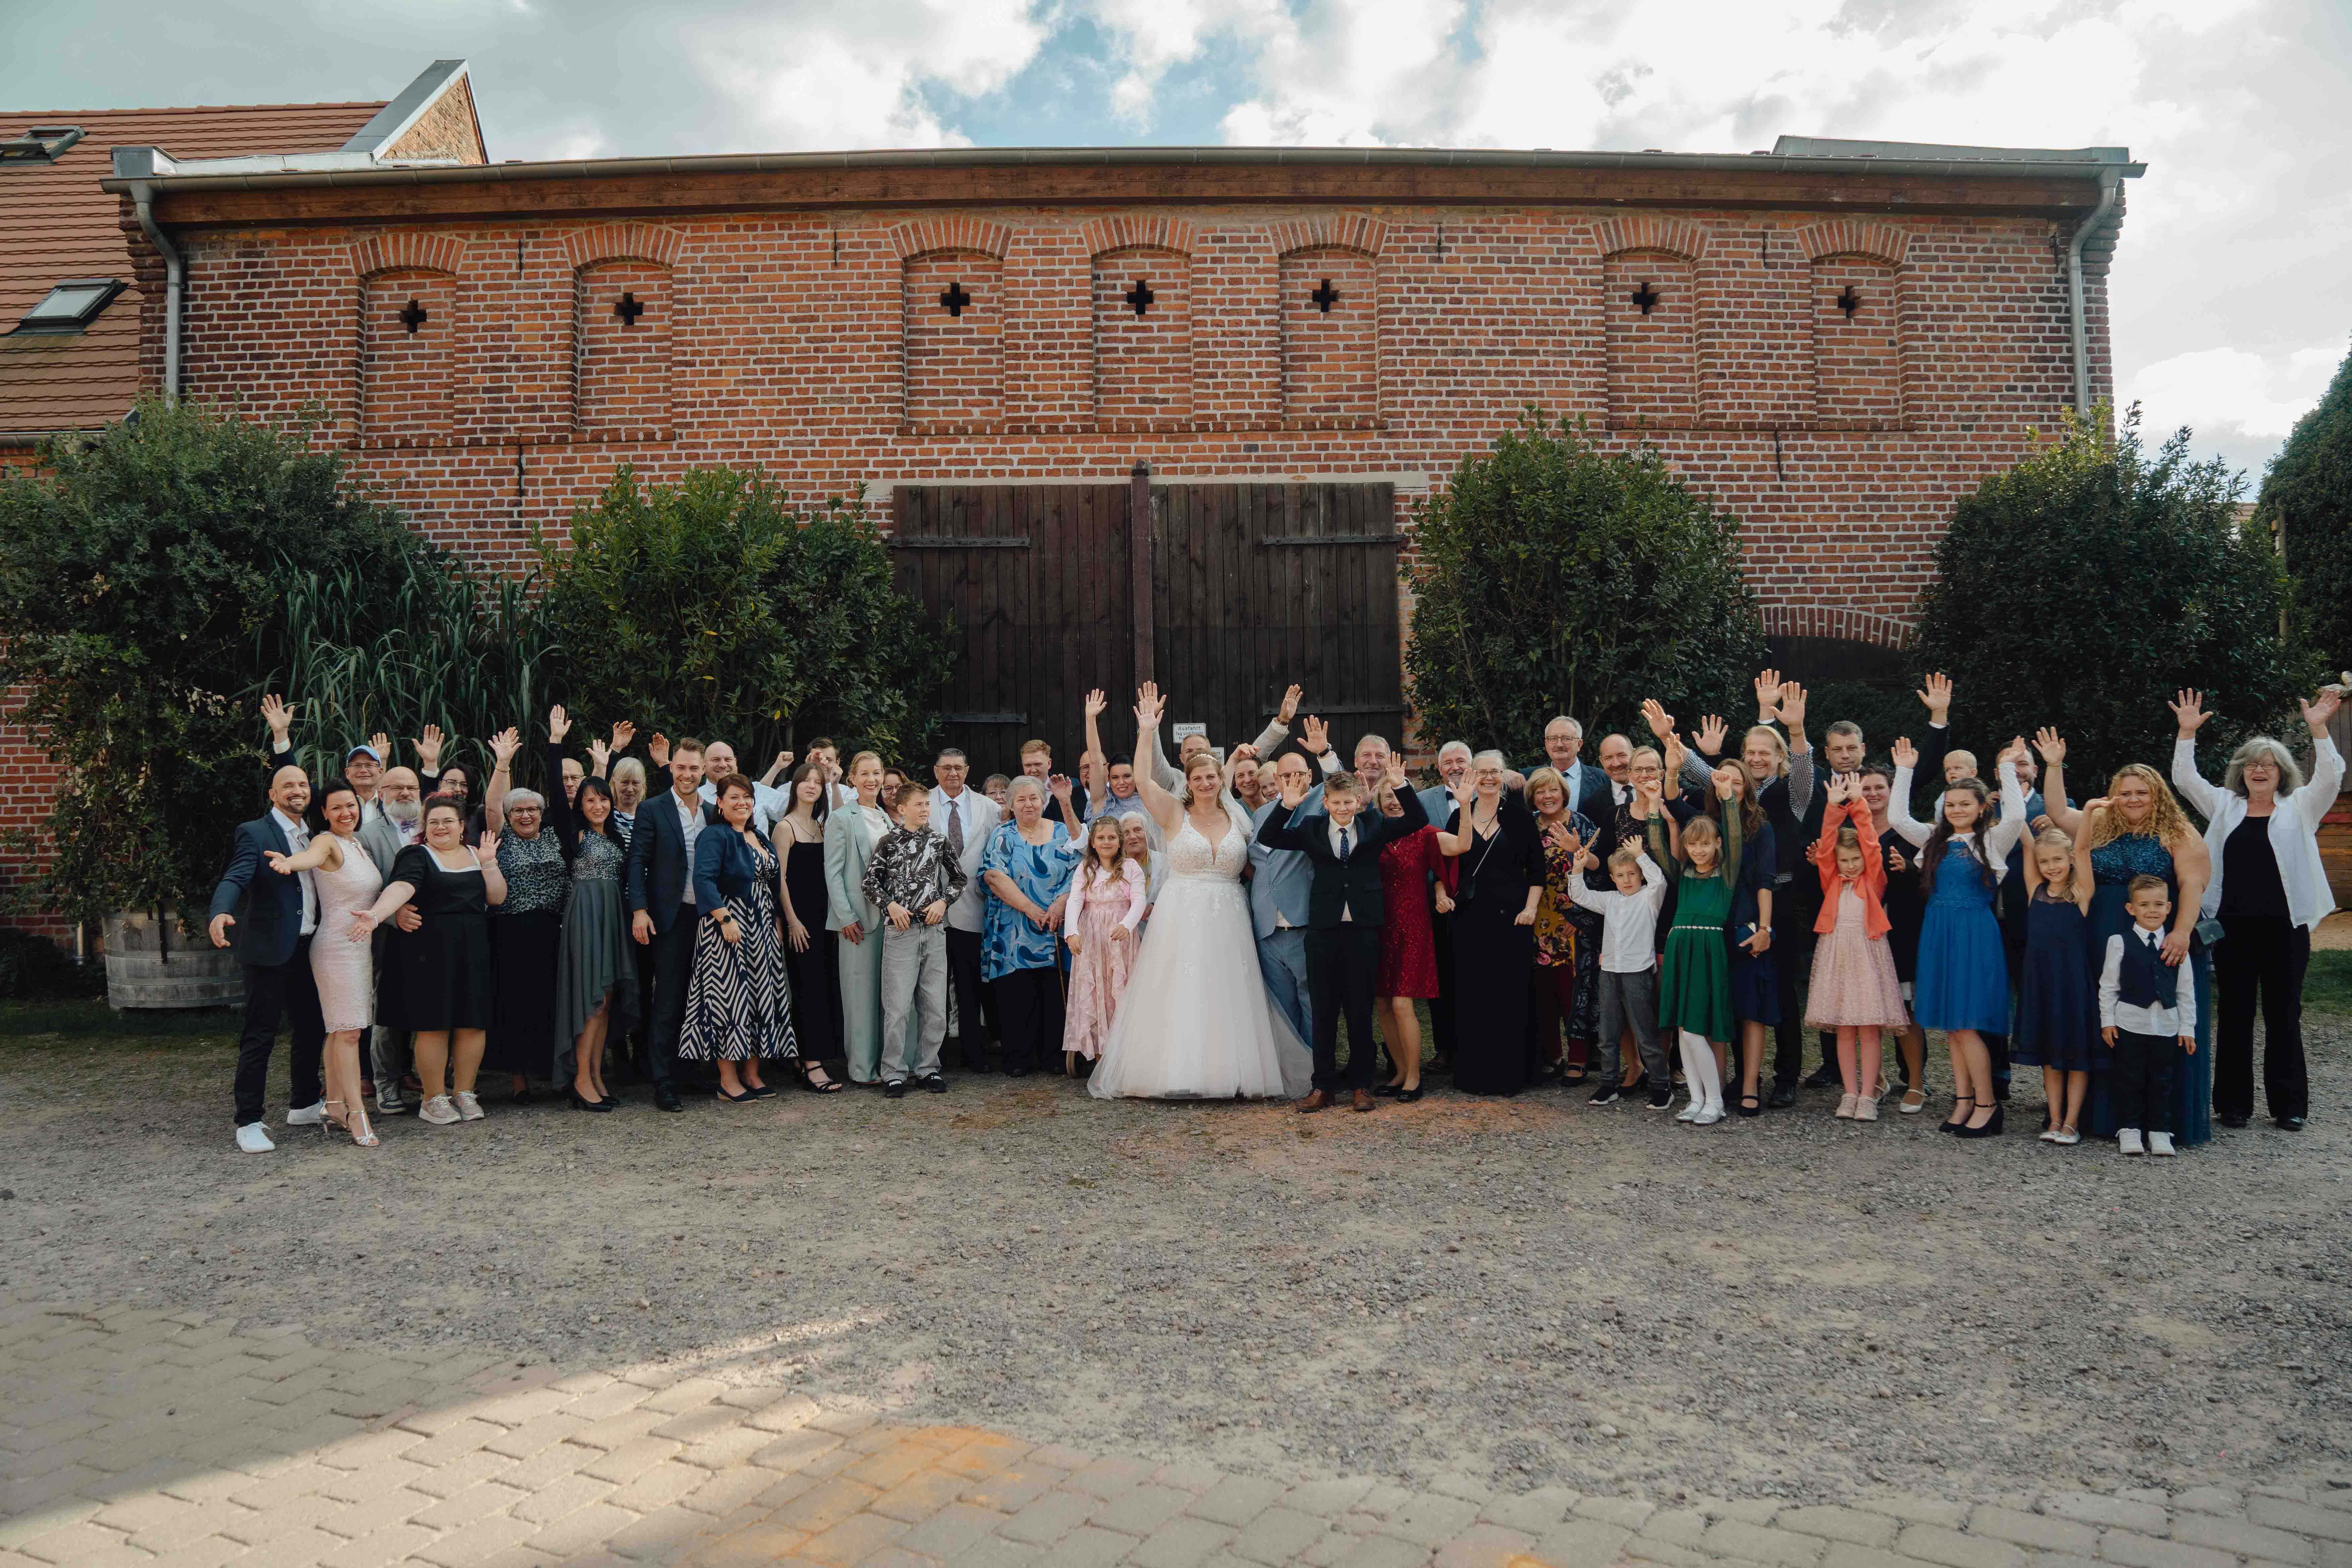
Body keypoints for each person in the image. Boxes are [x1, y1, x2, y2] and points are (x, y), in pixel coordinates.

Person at [1088, 685, 1310, 1099]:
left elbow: (1260, 862)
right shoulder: (1173, 813)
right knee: (1183, 989)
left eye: (1212, 776)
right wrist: (1147, 730)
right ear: (1187, 782)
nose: (1206, 782)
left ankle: (1233, 1072)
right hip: (1182, 911)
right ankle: (1177, 1072)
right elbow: (1140, 778)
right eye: (1199, 778)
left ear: (1219, 779)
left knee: (1228, 989)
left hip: (1229, 913)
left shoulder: (1239, 818)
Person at [2170, 688, 2341, 1132]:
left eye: (2267, 764)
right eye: (2250, 764)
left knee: (2284, 1013)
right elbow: (2185, 780)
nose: (2257, 770)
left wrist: (2319, 728)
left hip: (2287, 928)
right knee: (2236, 1012)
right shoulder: (2225, 806)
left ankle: (2289, 1106)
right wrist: (2187, 733)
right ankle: (2233, 1105)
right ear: (2240, 774)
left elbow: (2330, 776)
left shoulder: (2302, 806)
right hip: (2231, 928)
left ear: (2282, 773)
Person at [1258, 754, 1428, 1112]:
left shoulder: (1375, 824)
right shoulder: (1312, 830)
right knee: (1323, 1010)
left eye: (1349, 802)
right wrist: (1287, 806)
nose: (1343, 808)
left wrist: (1400, 785)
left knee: (1360, 1009)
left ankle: (1362, 1085)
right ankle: (1323, 1086)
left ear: (1359, 800)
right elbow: (1268, 836)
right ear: (1326, 803)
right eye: (1336, 803)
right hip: (1323, 931)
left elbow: (1417, 819)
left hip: (1363, 931)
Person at [2054, 762, 2212, 1144]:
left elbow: (2193, 883)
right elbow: (2059, 813)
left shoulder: (2178, 831)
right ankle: (2102, 1118)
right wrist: (2056, 765)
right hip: (2102, 936)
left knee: (2159, 1023)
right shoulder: (2103, 825)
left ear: (2157, 794)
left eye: (2142, 792)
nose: (2133, 799)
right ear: (2114, 795)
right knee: (2106, 1019)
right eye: (2125, 792)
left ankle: (2163, 1122)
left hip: (2161, 934)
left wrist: (2181, 932)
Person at [1891, 737, 2029, 1139]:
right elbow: (1899, 819)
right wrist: (1904, 772)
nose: (1957, 810)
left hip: (1973, 933)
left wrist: (2005, 766)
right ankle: (1964, 1100)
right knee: (1952, 1025)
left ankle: (1988, 1104)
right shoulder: (1935, 840)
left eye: (1965, 804)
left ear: (1982, 807)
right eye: (1951, 805)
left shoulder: (1992, 840)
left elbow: (2017, 817)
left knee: (1967, 1024)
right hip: (1939, 931)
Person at [354, 797, 506, 1125]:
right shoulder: (416, 855)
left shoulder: (474, 855)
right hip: (430, 955)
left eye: (448, 821)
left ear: (462, 825)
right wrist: (377, 914)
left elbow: (496, 898)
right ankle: (433, 1098)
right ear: (425, 826)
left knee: (472, 1023)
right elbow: (401, 887)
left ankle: (464, 1093)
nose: (441, 827)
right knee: (434, 1026)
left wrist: (490, 863)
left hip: (474, 951)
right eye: (434, 821)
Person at [208, 762, 332, 1152]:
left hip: (307, 947)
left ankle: (305, 1103)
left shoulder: (312, 833)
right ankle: (248, 1121)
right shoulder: (256, 831)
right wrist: (220, 911)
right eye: (287, 785)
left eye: (303, 784)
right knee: (260, 1035)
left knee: (311, 1026)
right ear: (273, 795)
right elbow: (236, 875)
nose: (298, 790)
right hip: (268, 949)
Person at [259, 777, 384, 1146]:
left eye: (351, 805)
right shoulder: (326, 841)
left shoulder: (356, 842)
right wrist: (288, 863)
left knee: (340, 1030)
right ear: (325, 813)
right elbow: (310, 858)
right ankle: (357, 1113)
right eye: (337, 808)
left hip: (360, 947)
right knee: (349, 1032)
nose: (346, 812)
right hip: (336, 948)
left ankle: (333, 1104)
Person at [1435, 750, 1547, 1097]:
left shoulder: (1520, 818)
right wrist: (1441, 893)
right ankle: (1475, 1073)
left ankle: (1512, 1073)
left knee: (1509, 995)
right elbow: (1442, 866)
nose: (1488, 777)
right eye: (1481, 772)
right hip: (1470, 919)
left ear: (1503, 775)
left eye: (1494, 772)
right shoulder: (1458, 818)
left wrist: (1530, 909)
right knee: (1472, 995)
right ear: (1470, 775)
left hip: (1512, 920)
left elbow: (1537, 872)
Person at [678, 773, 796, 1100]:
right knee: (728, 1001)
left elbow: (773, 883)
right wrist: (726, 918)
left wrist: (777, 921)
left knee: (760, 997)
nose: (742, 803)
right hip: (727, 927)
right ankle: (728, 1081)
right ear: (720, 802)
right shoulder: (715, 836)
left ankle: (753, 1074)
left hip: (762, 928)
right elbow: (703, 880)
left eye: (747, 797)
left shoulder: (759, 834)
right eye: (734, 797)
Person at [1801, 776, 1909, 1122]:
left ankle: (1868, 1095)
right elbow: (1827, 843)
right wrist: (1833, 807)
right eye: (1844, 860)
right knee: (1845, 1029)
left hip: (1867, 953)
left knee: (1868, 1027)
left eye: (1855, 859)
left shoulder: (1873, 880)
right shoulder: (1831, 879)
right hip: (1837, 954)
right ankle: (1849, 1092)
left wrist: (1858, 804)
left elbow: (1872, 844)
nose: (1850, 865)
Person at [623, 736, 718, 1112]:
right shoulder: (653, 809)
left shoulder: (714, 811)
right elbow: (637, 861)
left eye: (695, 768)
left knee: (701, 997)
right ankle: (662, 1080)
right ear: (672, 768)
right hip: (670, 915)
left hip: (708, 917)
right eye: (681, 767)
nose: (688, 774)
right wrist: (639, 910)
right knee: (669, 996)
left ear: (704, 771)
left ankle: (689, 1069)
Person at [481, 727, 567, 1103]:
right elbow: (490, 806)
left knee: (549, 1001)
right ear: (509, 815)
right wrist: (503, 765)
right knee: (514, 1004)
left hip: (551, 931)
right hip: (511, 932)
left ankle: (553, 1072)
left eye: (533, 809)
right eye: (519, 810)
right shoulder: (503, 838)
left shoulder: (554, 836)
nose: (526, 815)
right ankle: (519, 1081)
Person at [863, 781, 963, 1097]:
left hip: (933, 932)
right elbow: (870, 883)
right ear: (902, 808)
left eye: (927, 805)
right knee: (898, 1006)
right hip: (901, 933)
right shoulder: (888, 843)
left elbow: (959, 878)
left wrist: (943, 901)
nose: (925, 810)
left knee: (935, 1005)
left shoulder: (939, 841)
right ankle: (893, 1072)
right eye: (919, 805)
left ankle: (928, 1069)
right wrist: (891, 905)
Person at [1650, 775, 1737, 1125]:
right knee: (1683, 1029)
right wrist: (1656, 809)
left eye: (1706, 844)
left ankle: (1715, 1101)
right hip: (1680, 948)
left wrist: (1728, 799)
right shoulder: (1683, 873)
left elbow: (1735, 836)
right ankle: (1696, 1099)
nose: (1699, 850)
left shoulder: (1727, 874)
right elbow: (1657, 848)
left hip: (1707, 949)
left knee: (1697, 1029)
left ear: (1717, 844)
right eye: (1693, 845)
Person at [1564, 829, 1671, 1110]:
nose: (1627, 880)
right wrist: (1577, 867)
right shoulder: (1609, 899)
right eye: (1621, 876)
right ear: (1612, 878)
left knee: (1645, 1031)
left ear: (1640, 875)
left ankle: (1662, 1086)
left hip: (1638, 973)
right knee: (1608, 1032)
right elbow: (1580, 895)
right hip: (1609, 973)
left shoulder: (1650, 897)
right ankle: (1608, 1084)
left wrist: (1641, 856)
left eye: (1632, 874)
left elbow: (1659, 880)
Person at [981, 775, 1077, 1078]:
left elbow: (1079, 872)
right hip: (1014, 929)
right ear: (1010, 804)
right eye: (1020, 800)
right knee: (1016, 994)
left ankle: (1053, 1056)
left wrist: (1058, 906)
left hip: (1056, 927)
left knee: (1054, 992)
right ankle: (1018, 1056)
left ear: (1044, 801)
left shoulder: (1063, 833)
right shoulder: (1002, 835)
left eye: (1034, 798)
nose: (1028, 804)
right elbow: (994, 876)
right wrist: (1033, 910)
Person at [1247, 730, 1335, 1049]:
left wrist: (1325, 752)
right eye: (1285, 776)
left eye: (1299, 774)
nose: (1292, 780)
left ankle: (1317, 1070)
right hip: (1268, 926)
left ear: (1310, 776)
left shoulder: (1322, 803)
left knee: (1313, 1002)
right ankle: (1292, 1072)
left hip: (1303, 921)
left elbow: (1339, 784)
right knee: (1282, 1007)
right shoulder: (1260, 815)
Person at [2098, 875, 2198, 1157]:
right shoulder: (2119, 942)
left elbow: (2185, 990)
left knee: (2162, 1081)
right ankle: (2130, 1130)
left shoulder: (2177, 945)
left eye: (2158, 905)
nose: (2152, 910)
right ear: (2132, 909)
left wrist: (2187, 1027)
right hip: (2130, 1024)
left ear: (2169, 908)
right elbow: (2109, 986)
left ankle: (2159, 1132)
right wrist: (2108, 1021)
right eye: (2144, 905)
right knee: (2129, 1079)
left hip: (2167, 1027)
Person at [2012, 826, 2095, 1144]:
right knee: (2049, 1056)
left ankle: (2072, 1124)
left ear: (2071, 859)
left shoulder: (2082, 894)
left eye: (2058, 859)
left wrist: (2088, 814)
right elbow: (2024, 838)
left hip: (2072, 984)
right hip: (2041, 984)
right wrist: (2013, 797)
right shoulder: (2035, 891)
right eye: (2044, 861)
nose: (2051, 867)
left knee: (2076, 1055)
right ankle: (2055, 1119)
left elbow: (2085, 848)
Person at [1856, 762, 1931, 1112]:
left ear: (1891, 792)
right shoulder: (1853, 830)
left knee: (1905, 1011)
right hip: (1860, 931)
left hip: (1903, 930)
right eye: (1866, 788)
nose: (1872, 794)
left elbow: (1932, 880)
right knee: (1867, 1011)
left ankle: (1916, 1083)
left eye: (1879, 788)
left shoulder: (1911, 834)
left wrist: (1911, 869)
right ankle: (1877, 1077)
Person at [1371, 771, 1447, 1101]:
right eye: (1386, 794)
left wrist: (1442, 891)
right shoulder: (1373, 833)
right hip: (1379, 924)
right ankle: (1400, 1071)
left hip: (1413, 924)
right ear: (1378, 802)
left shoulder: (1424, 832)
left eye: (1397, 793)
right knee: (1383, 1003)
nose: (1392, 799)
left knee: (1403, 1003)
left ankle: (1415, 1077)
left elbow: (1456, 853)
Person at [1525, 765, 1602, 1085]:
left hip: (1575, 921)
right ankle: (1551, 1055)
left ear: (1564, 793)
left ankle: (1578, 1058)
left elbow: (1601, 871)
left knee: (1575, 993)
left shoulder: (1582, 824)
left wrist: (1578, 852)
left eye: (1553, 790)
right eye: (1541, 791)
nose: (1547, 797)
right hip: (1537, 919)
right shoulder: (1528, 827)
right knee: (1543, 992)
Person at [928, 746, 1001, 1073]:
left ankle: (974, 1052)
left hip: (973, 908)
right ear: (936, 771)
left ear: (968, 771)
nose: (953, 773)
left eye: (958, 767)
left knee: (971, 986)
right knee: (934, 989)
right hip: (931, 912)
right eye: (946, 768)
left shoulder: (988, 808)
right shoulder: (922, 803)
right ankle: (934, 1056)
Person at [773, 761, 844, 1090]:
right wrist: (791, 921)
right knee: (806, 989)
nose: (812, 785)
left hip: (824, 920)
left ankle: (810, 1056)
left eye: (818, 782)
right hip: (799, 921)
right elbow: (780, 881)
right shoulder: (785, 828)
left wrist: (835, 784)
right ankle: (810, 1064)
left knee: (824, 988)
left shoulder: (822, 827)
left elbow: (844, 823)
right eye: (807, 781)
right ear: (796, 786)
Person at [824, 750, 894, 1084]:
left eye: (877, 773)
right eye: (865, 773)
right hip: (856, 920)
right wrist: (845, 916)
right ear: (852, 778)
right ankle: (862, 1070)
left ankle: (889, 1064)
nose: (872, 779)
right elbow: (833, 873)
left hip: (891, 921)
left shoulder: (887, 818)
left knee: (889, 996)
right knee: (859, 995)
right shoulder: (841, 817)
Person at [1062, 815, 1146, 1073]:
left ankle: (1126, 1057)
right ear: (1093, 842)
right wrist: (1072, 932)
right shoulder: (1086, 868)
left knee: (1119, 990)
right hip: (1092, 937)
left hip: (1120, 937)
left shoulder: (1132, 867)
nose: (1107, 842)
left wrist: (1128, 924)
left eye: (1112, 837)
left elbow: (1140, 900)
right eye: (1101, 838)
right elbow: (1075, 901)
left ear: (1120, 841)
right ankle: (1100, 1058)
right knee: (1097, 989)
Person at [1079, 689, 1154, 825]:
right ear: (1108, 777)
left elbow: (1147, 756)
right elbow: (1095, 759)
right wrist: (1090, 719)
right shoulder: (1102, 801)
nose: (1121, 783)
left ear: (1136, 775)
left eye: (1127, 776)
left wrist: (1148, 730)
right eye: (1115, 778)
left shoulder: (1149, 802)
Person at [1019, 739, 1087, 830]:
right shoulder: (1016, 792)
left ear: (1049, 763)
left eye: (1038, 765)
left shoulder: (1072, 786)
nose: (1033, 770)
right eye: (1028, 766)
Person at [609, 757, 648, 850]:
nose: (630, 789)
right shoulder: (605, 814)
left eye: (636, 783)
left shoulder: (650, 817)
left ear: (643, 783)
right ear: (614, 780)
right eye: (625, 783)